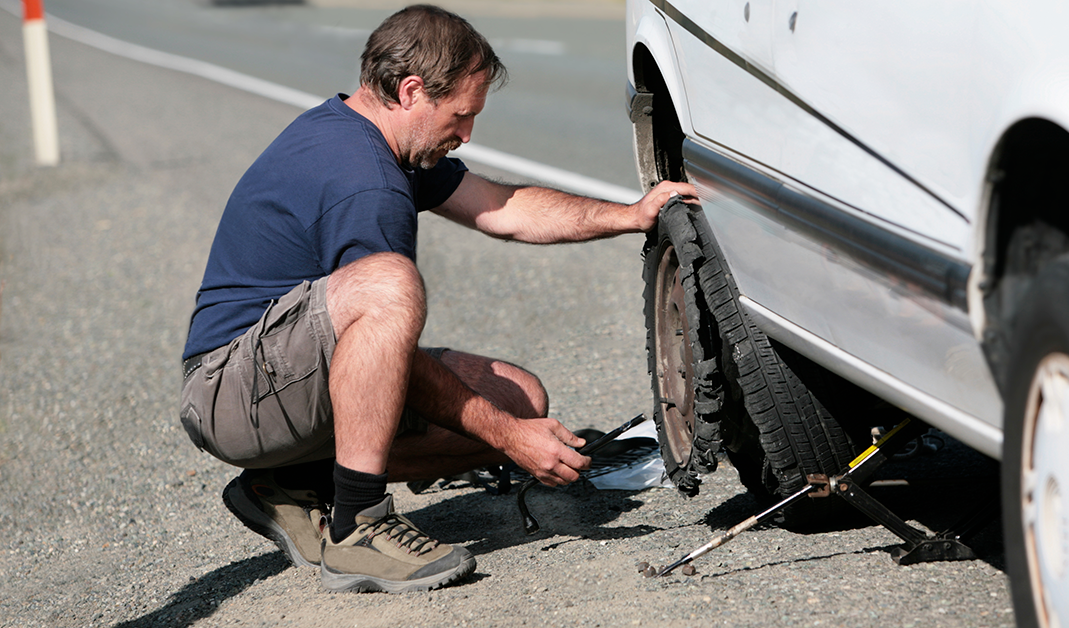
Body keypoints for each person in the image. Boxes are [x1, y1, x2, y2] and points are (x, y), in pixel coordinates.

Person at [178, 4, 696, 594]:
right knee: (391, 285)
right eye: (461, 115)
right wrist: (508, 437)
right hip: (230, 393)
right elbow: (383, 327)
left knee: (521, 398)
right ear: (411, 91)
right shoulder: (363, 179)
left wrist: (628, 215)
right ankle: (358, 526)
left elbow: (503, 208)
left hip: (282, 374)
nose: (467, 134)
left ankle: (291, 481)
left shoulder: (376, 135)